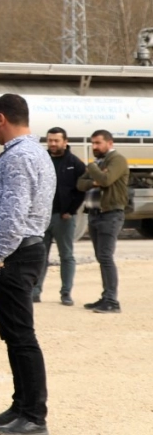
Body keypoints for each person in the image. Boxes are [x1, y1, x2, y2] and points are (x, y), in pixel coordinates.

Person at [0, 93, 56, 435]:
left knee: (21, 336)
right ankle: (20, 405)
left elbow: (14, 212)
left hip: (15, 254)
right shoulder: (32, 152)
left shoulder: (20, 156)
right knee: (12, 334)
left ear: (1, 118)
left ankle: (34, 416)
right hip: (20, 251)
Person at [78, 129, 128, 313]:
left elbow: (106, 180)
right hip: (94, 214)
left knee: (106, 257)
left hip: (110, 214)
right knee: (101, 257)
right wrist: (94, 180)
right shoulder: (100, 163)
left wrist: (92, 168)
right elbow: (80, 184)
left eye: (98, 143)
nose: (94, 146)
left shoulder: (117, 160)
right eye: (93, 143)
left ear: (110, 143)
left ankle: (112, 301)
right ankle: (106, 296)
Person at [37, 127, 86, 305]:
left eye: (56, 140)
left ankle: (66, 293)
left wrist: (71, 211)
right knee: (40, 256)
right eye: (50, 140)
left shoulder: (75, 163)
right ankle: (35, 291)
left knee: (66, 256)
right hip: (42, 218)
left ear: (65, 142)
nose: (52, 144)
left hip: (63, 218)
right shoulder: (40, 160)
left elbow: (82, 190)